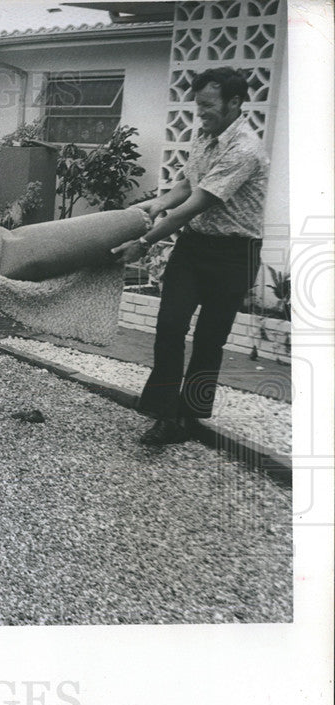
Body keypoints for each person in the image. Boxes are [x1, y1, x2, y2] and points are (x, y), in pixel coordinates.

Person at [112, 66, 268, 446]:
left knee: (210, 339)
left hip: (235, 252)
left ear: (234, 102)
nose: (201, 113)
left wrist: (145, 242)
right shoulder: (204, 135)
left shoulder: (245, 148)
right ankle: (166, 415)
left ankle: (192, 414)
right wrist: (155, 204)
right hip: (195, 246)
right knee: (169, 326)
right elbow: (187, 184)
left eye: (208, 106)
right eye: (198, 105)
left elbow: (197, 203)